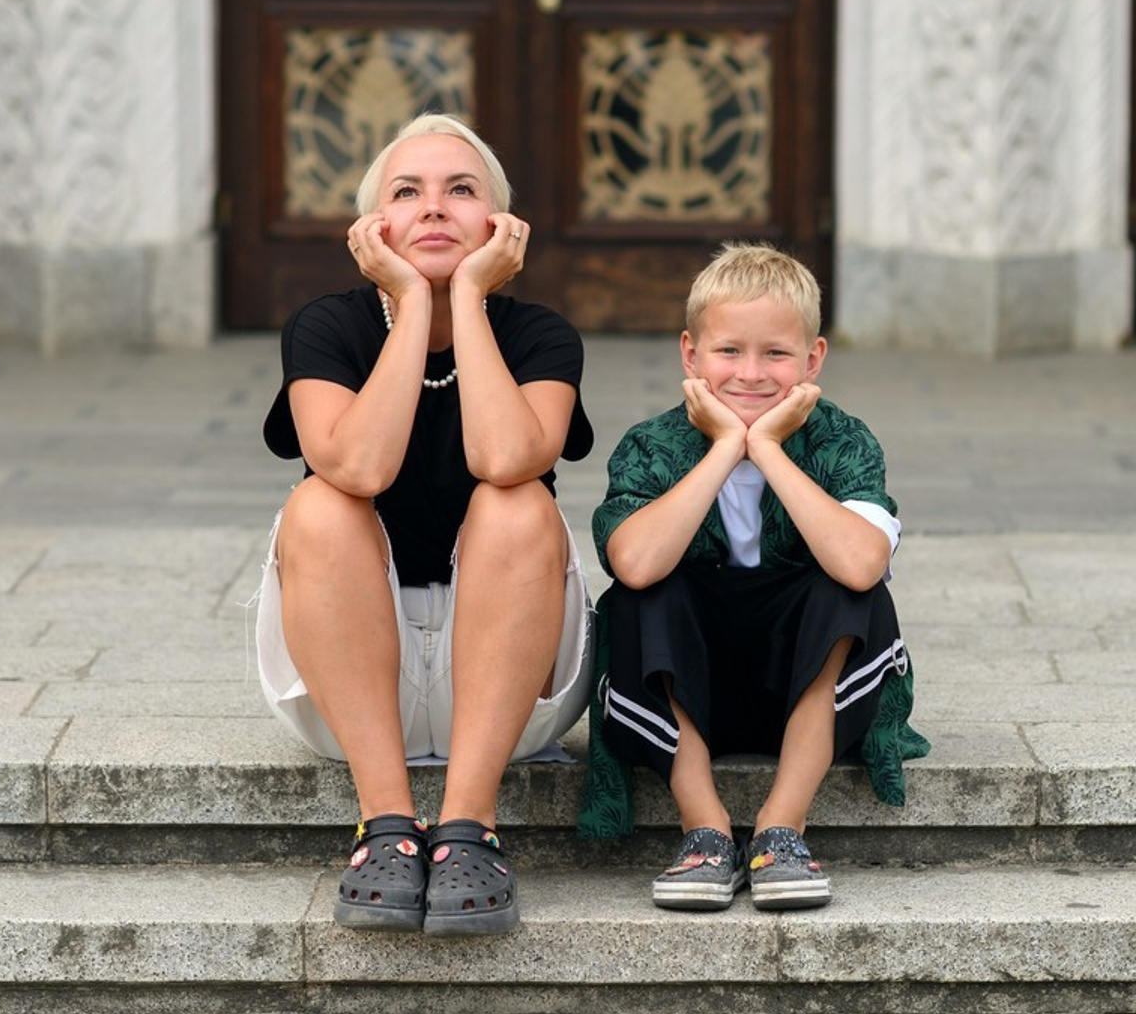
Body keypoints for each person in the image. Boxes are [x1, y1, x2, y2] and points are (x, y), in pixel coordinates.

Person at [255, 113, 594, 936]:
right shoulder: (326, 327)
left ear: (498, 227)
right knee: (324, 501)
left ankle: (470, 828)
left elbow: (507, 455)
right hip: (351, 686)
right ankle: (387, 827)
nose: (435, 209)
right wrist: (411, 300)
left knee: (518, 500)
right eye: (407, 193)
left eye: (461, 191)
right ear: (373, 229)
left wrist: (468, 298)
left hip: (511, 686)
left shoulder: (541, 334)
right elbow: (359, 466)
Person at [583, 241, 927, 911]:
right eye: (728, 352)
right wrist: (722, 449)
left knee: (848, 587)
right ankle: (705, 830)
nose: (751, 374)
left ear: (812, 359)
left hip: (802, 689)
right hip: (687, 684)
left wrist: (767, 447)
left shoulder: (840, 441)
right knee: (641, 594)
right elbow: (634, 562)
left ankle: (780, 829)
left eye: (775, 353)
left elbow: (861, 562)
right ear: (690, 355)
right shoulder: (653, 446)